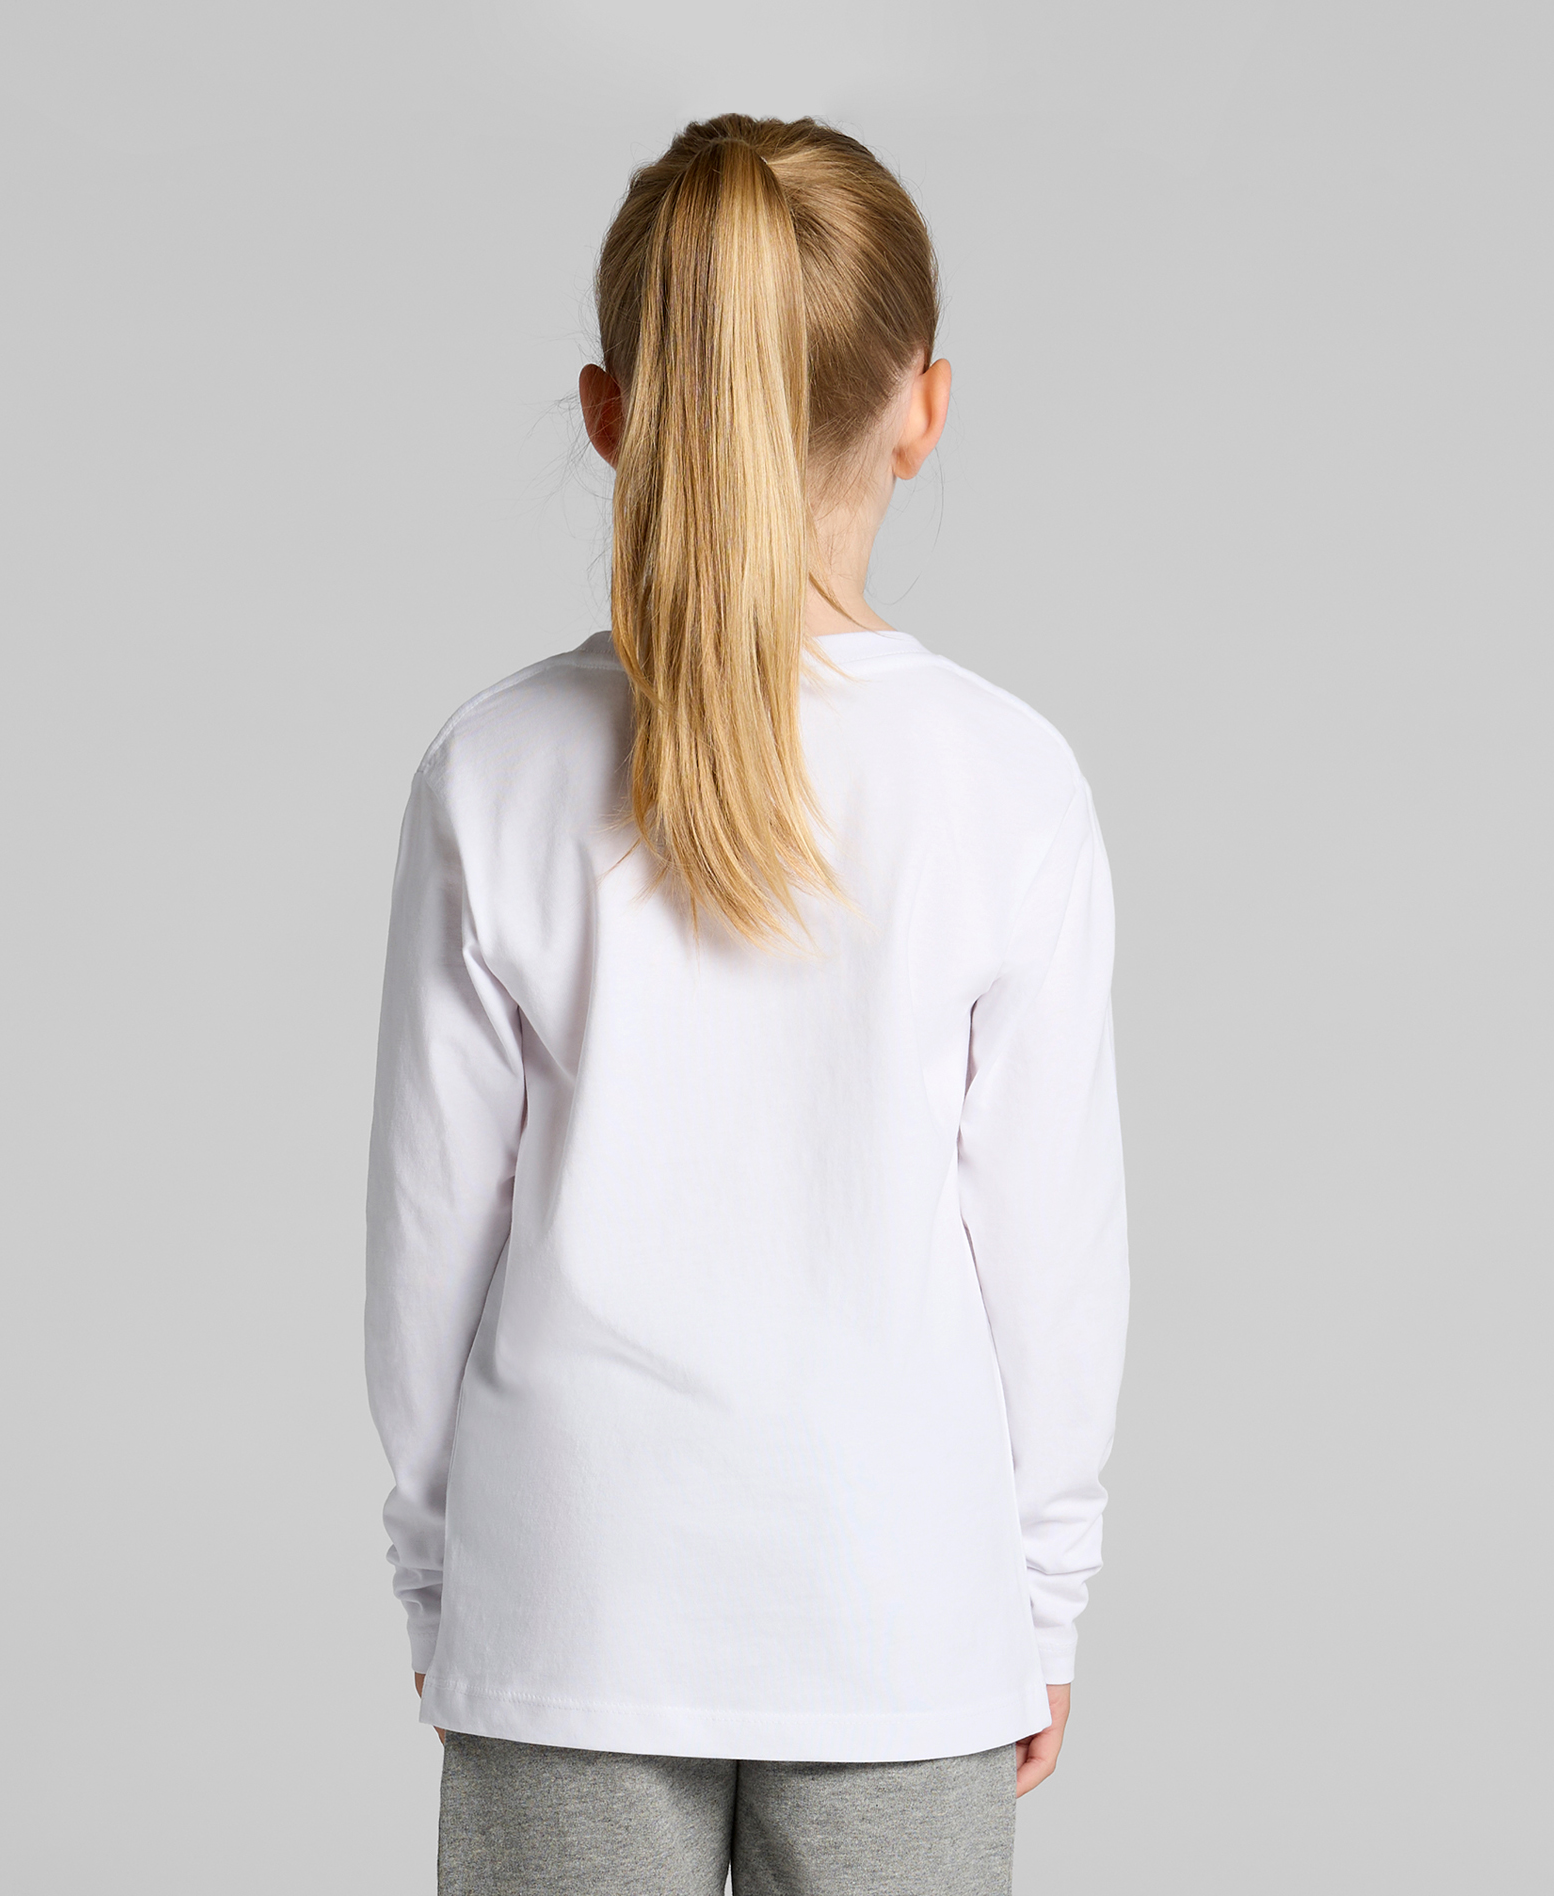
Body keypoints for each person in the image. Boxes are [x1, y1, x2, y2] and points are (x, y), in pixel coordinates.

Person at [364, 113, 1129, 1895]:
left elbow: (425, 1238)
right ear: (923, 409)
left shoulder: (494, 768)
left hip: (569, 1600)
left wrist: (442, 1581)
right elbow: (1051, 1253)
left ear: (610, 413)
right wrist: (1041, 1597)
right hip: (900, 1610)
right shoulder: (1007, 781)